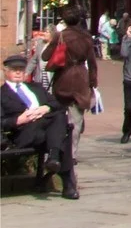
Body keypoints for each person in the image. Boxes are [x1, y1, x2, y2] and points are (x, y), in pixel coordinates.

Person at [1, 54, 79, 198]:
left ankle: (55, 160)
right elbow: (2, 121)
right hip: (24, 133)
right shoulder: (1, 94)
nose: (18, 72)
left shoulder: (35, 88)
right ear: (5, 71)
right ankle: (64, 177)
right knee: (61, 130)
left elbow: (58, 104)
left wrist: (46, 109)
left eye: (21, 69)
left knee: (57, 120)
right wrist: (18, 120)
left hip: (45, 133)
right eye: (14, 69)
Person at [43, 5, 98, 162]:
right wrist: (93, 83)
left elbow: (45, 57)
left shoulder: (60, 36)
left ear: (65, 20)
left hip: (63, 78)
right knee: (76, 119)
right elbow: (92, 63)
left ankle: (55, 151)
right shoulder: (86, 37)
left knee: (58, 116)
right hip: (81, 79)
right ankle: (71, 154)